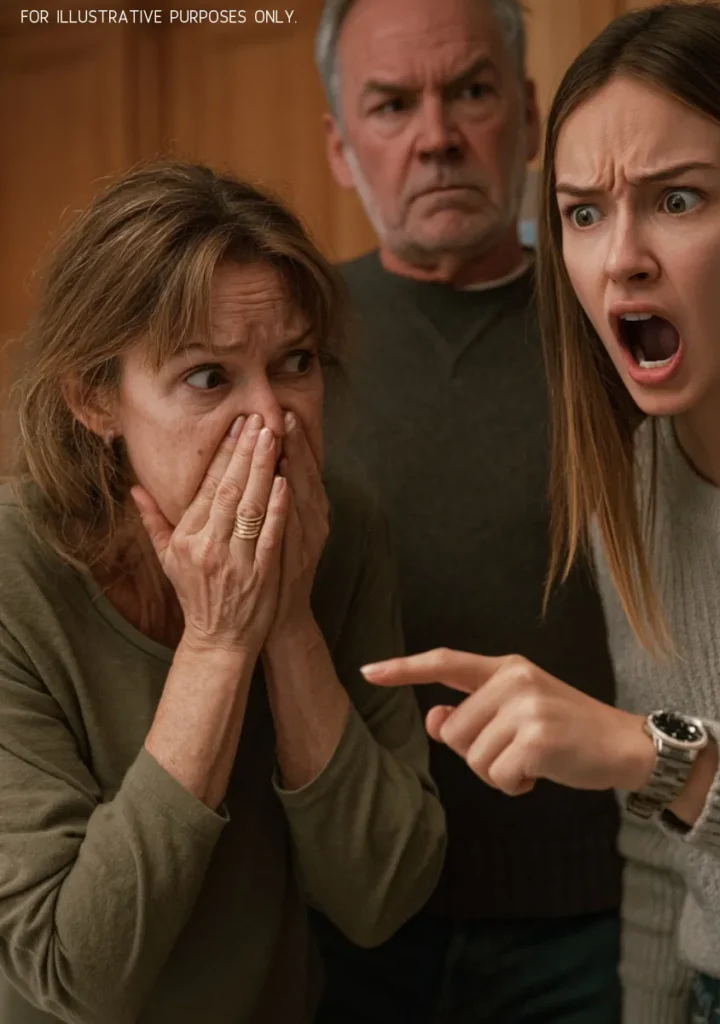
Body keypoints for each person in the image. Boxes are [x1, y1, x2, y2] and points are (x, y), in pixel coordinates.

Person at [361, 4, 720, 1024]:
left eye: (676, 199)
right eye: (582, 213)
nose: (621, 257)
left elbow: (656, 772)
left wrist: (656, 753)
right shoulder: (632, 486)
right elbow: (661, 854)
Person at [0, 161, 446, 1024]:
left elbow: (383, 895)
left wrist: (287, 620)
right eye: (209, 377)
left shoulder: (341, 530)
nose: (272, 420)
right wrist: (215, 644)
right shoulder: (14, 569)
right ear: (95, 398)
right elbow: (73, 973)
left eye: (294, 363)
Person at [310, 0, 621, 1021]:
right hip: (346, 921)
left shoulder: (622, 318)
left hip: (591, 918)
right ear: (341, 148)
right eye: (392, 105)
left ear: (528, 116)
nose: (436, 136)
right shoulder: (282, 343)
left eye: (471, 92)